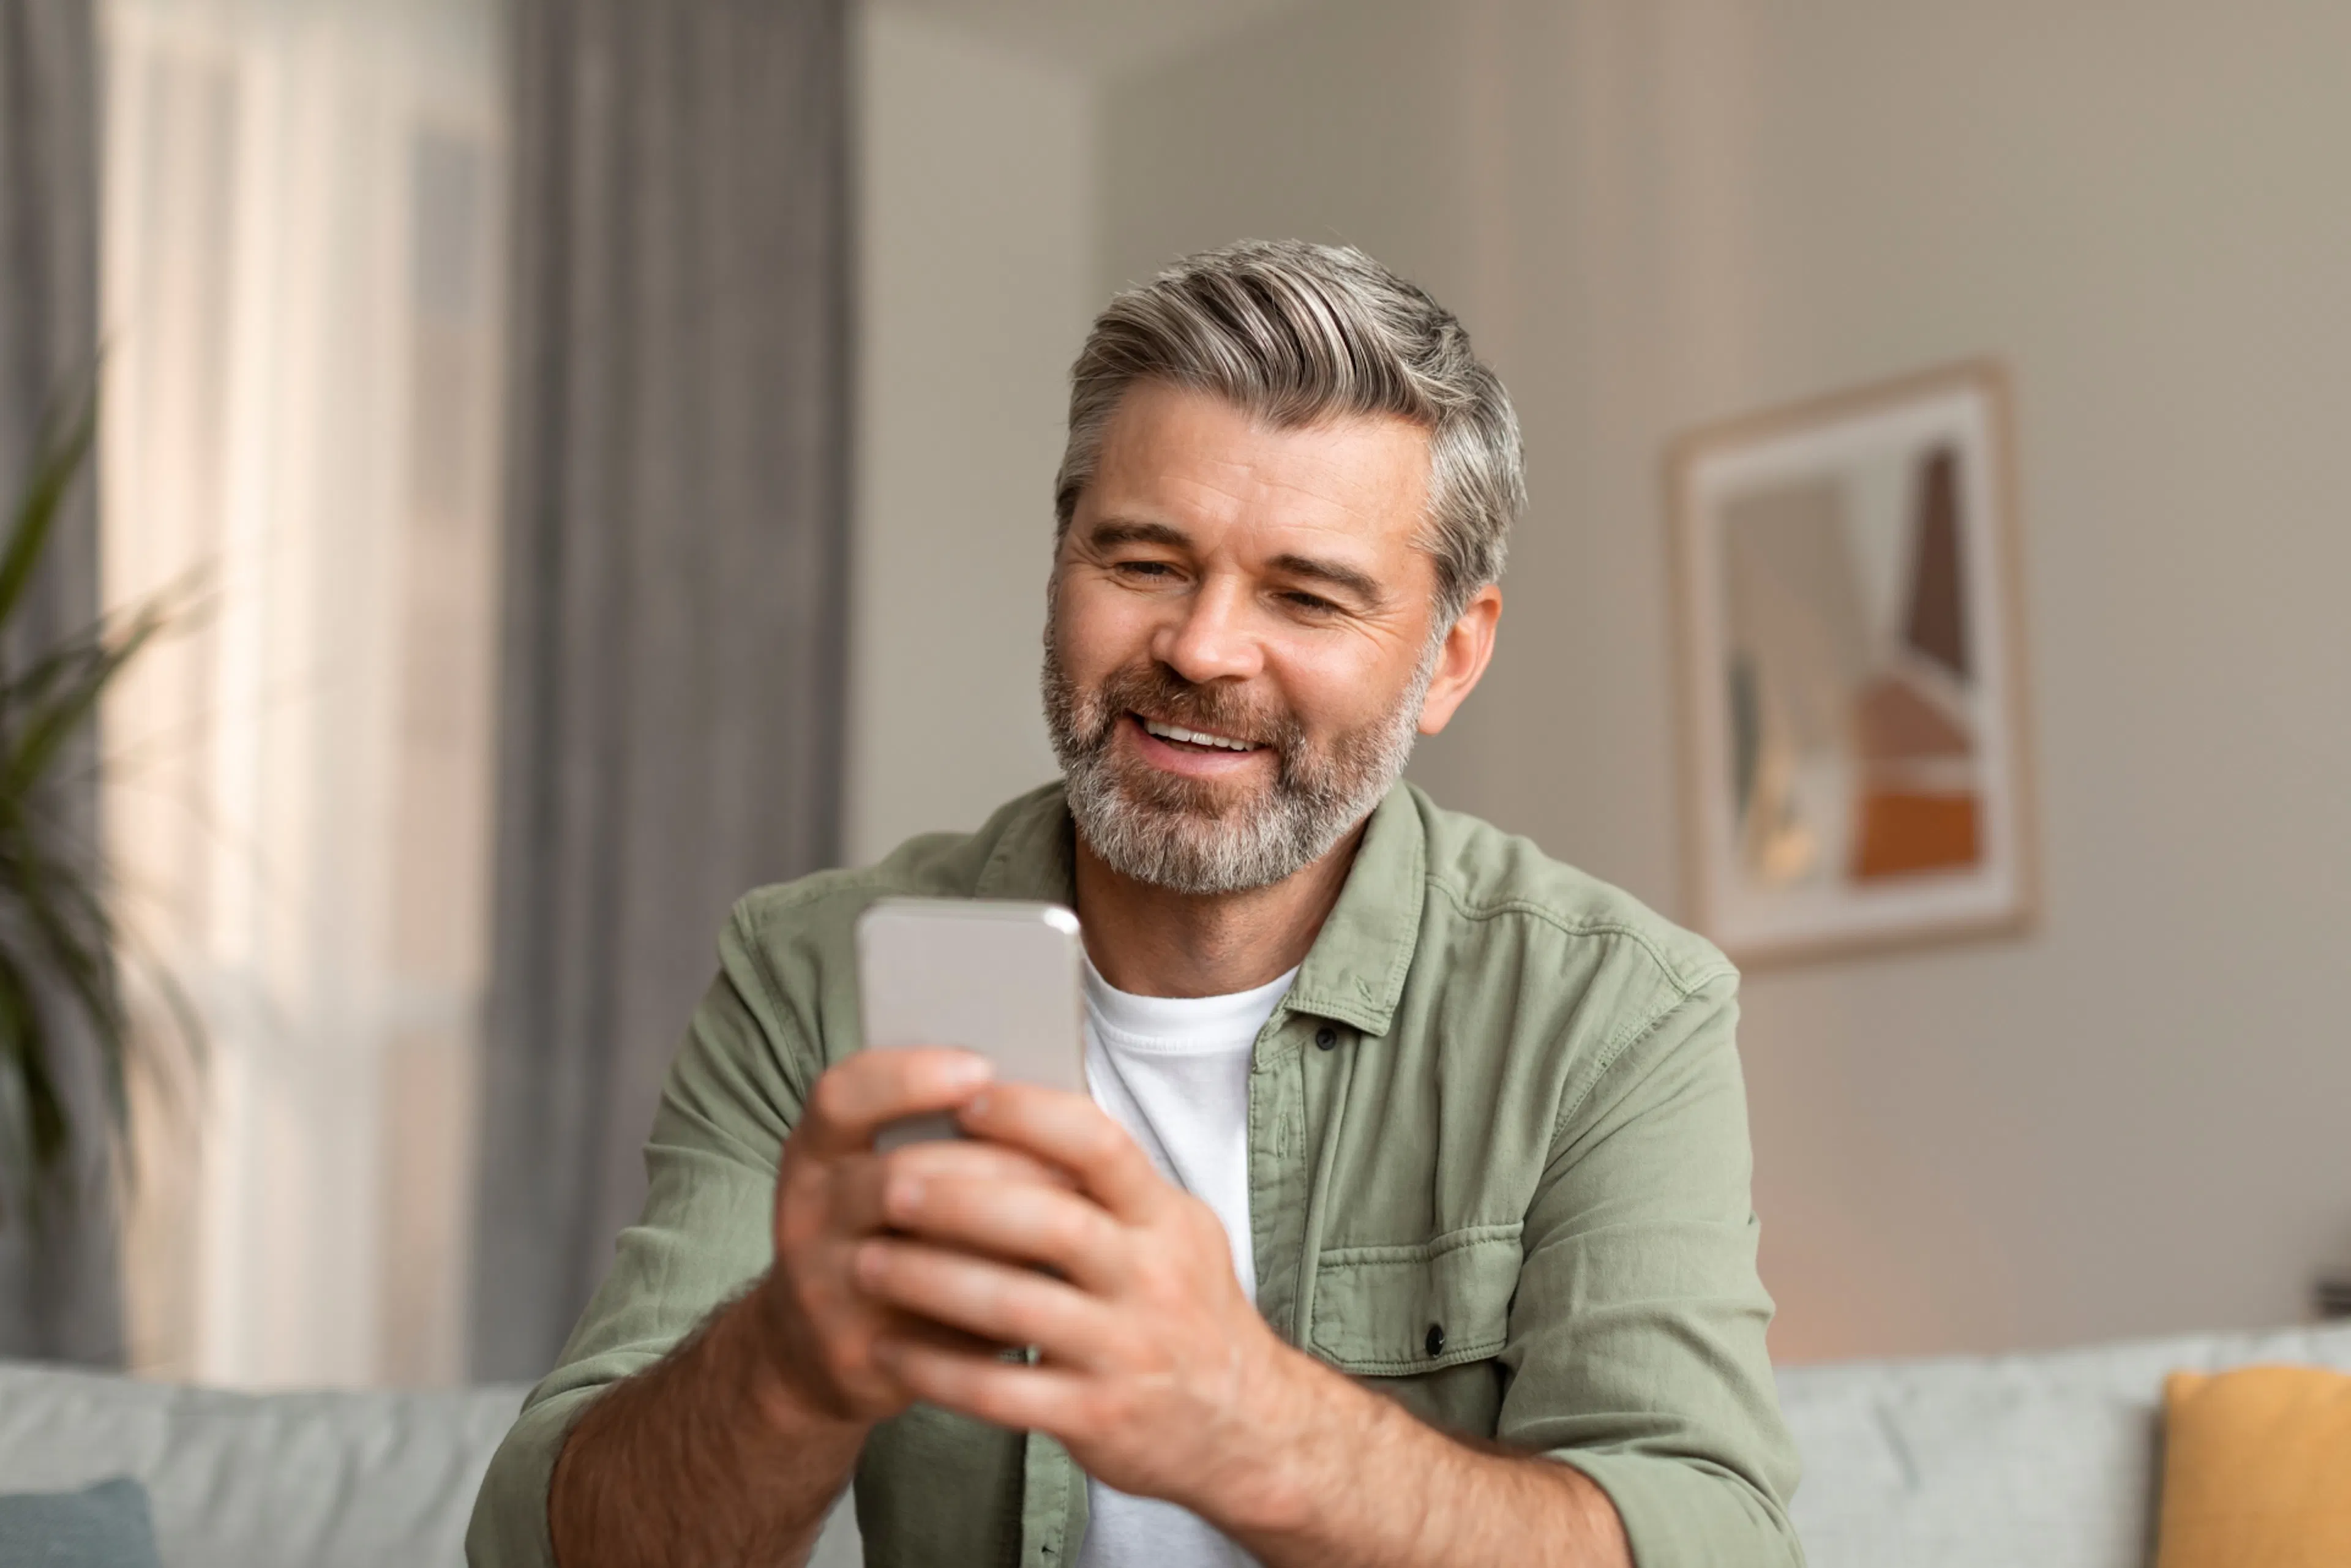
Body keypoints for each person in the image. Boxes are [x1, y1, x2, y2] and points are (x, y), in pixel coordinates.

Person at [467, 240, 1802, 1568]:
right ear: (1062, 564)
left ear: (1450, 657)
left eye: (1307, 593)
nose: (1204, 647)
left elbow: (1718, 1540)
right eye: (1146, 562)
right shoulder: (812, 973)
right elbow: (544, 1549)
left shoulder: (1614, 1011)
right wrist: (792, 1354)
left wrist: (1254, 1423)